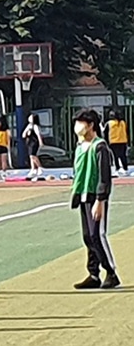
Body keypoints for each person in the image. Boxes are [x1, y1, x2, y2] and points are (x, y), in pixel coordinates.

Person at [70, 109, 120, 290]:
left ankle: (111, 272)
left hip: (96, 197)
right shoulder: (80, 146)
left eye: (81, 122)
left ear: (91, 125)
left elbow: (104, 176)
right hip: (83, 195)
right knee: (87, 236)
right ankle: (93, 274)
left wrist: (100, 200)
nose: (77, 126)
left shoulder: (100, 147)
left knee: (97, 235)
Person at [104, 110, 129, 176]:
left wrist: (106, 142)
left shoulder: (109, 123)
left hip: (113, 142)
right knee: (123, 156)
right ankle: (125, 169)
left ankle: (117, 169)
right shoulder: (123, 123)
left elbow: (105, 134)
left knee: (114, 157)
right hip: (123, 141)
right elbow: (127, 132)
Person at [22, 114, 44, 179]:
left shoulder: (35, 126)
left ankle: (40, 167)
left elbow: (38, 134)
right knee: (30, 157)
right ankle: (33, 169)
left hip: (34, 142)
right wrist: (27, 130)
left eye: (31, 117)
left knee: (33, 155)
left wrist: (41, 142)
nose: (29, 118)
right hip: (29, 142)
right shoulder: (29, 126)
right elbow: (23, 135)